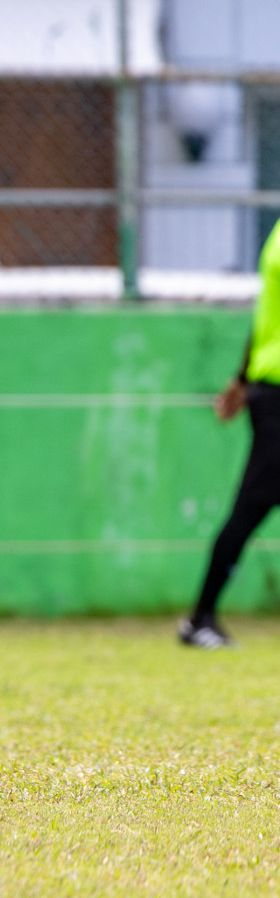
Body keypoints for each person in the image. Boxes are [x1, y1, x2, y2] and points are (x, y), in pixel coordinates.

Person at [181, 220, 280, 649]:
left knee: (252, 505)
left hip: (267, 386)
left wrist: (242, 379)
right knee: (253, 504)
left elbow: (265, 318)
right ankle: (200, 617)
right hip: (277, 394)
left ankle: (201, 617)